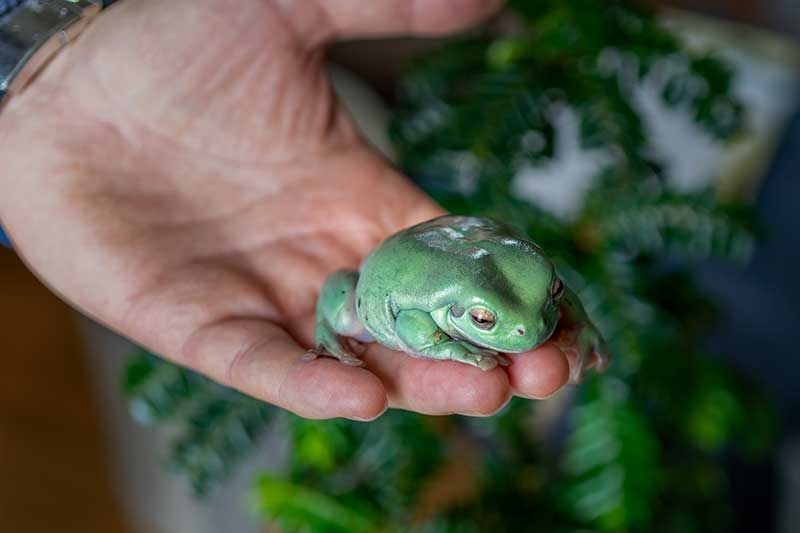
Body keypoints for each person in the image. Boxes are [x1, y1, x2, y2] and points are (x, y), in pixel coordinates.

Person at [0, 0, 573, 421]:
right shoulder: (431, 309)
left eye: (547, 292)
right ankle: (329, 328)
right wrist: (451, 347)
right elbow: (414, 322)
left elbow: (526, 298)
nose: (527, 325)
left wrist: (36, 70)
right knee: (346, 308)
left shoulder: (517, 292)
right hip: (391, 301)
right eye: (481, 318)